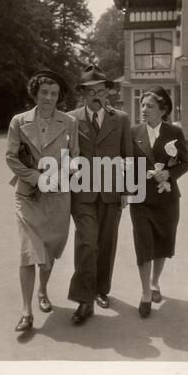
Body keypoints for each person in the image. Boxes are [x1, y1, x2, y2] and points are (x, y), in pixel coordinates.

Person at [6, 67, 79, 331]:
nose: (49, 98)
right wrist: (36, 177)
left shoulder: (69, 122)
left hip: (58, 196)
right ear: (35, 93)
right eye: (44, 92)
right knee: (28, 252)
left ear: (59, 97)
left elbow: (75, 157)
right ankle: (26, 311)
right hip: (28, 194)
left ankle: (43, 291)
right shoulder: (18, 121)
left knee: (48, 253)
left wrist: (61, 173)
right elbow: (11, 157)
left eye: (54, 93)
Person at [68, 64, 133, 324]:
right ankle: (84, 299)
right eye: (90, 91)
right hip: (82, 194)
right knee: (86, 242)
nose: (96, 95)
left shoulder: (122, 118)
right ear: (83, 94)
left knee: (106, 243)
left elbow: (127, 156)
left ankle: (101, 290)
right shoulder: (70, 119)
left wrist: (127, 191)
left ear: (107, 93)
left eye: (100, 90)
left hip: (111, 193)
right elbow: (65, 154)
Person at [129, 86, 188, 318]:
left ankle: (155, 282)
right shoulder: (133, 131)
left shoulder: (174, 132)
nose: (143, 109)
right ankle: (146, 293)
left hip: (167, 200)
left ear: (162, 109)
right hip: (140, 199)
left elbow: (186, 162)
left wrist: (169, 173)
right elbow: (125, 162)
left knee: (162, 244)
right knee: (144, 244)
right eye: (142, 105)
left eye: (150, 106)